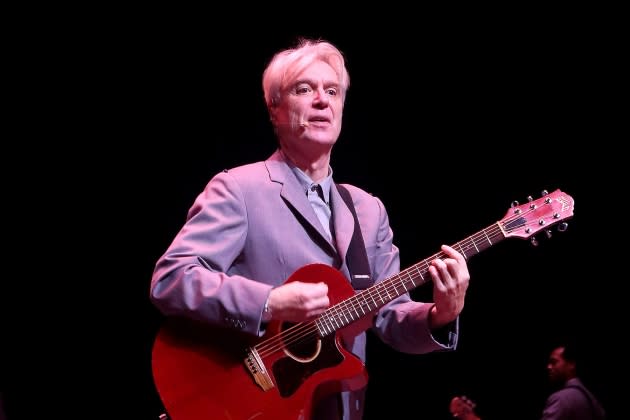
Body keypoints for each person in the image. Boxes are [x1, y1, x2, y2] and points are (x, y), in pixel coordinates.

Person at [150, 37, 470, 420]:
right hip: (254, 406)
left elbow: (390, 317)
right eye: (305, 89)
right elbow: (171, 279)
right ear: (275, 108)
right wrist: (269, 302)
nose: (323, 100)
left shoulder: (367, 210)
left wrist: (441, 314)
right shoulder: (239, 188)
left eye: (332, 91)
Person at [541, 343, 606, 420]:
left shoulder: (560, 399)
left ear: (571, 364)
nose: (548, 367)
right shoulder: (591, 397)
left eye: (554, 362)